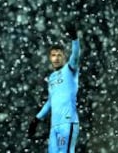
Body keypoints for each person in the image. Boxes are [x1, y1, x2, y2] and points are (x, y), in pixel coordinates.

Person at [28, 22, 81, 153]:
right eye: (53, 55)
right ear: (50, 58)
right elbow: (51, 102)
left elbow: (75, 56)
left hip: (67, 123)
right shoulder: (51, 78)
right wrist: (36, 119)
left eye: (59, 55)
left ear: (64, 57)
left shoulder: (70, 69)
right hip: (55, 125)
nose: (56, 58)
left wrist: (75, 39)